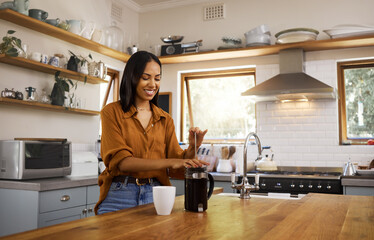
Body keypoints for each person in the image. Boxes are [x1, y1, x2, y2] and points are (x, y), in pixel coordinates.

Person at [95, 51, 209, 215]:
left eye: (157, 78)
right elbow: (123, 162)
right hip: (120, 195)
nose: (153, 84)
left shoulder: (165, 119)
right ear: (132, 77)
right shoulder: (111, 112)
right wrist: (170, 162)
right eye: (145, 77)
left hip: (158, 195)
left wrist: (193, 147)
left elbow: (178, 168)